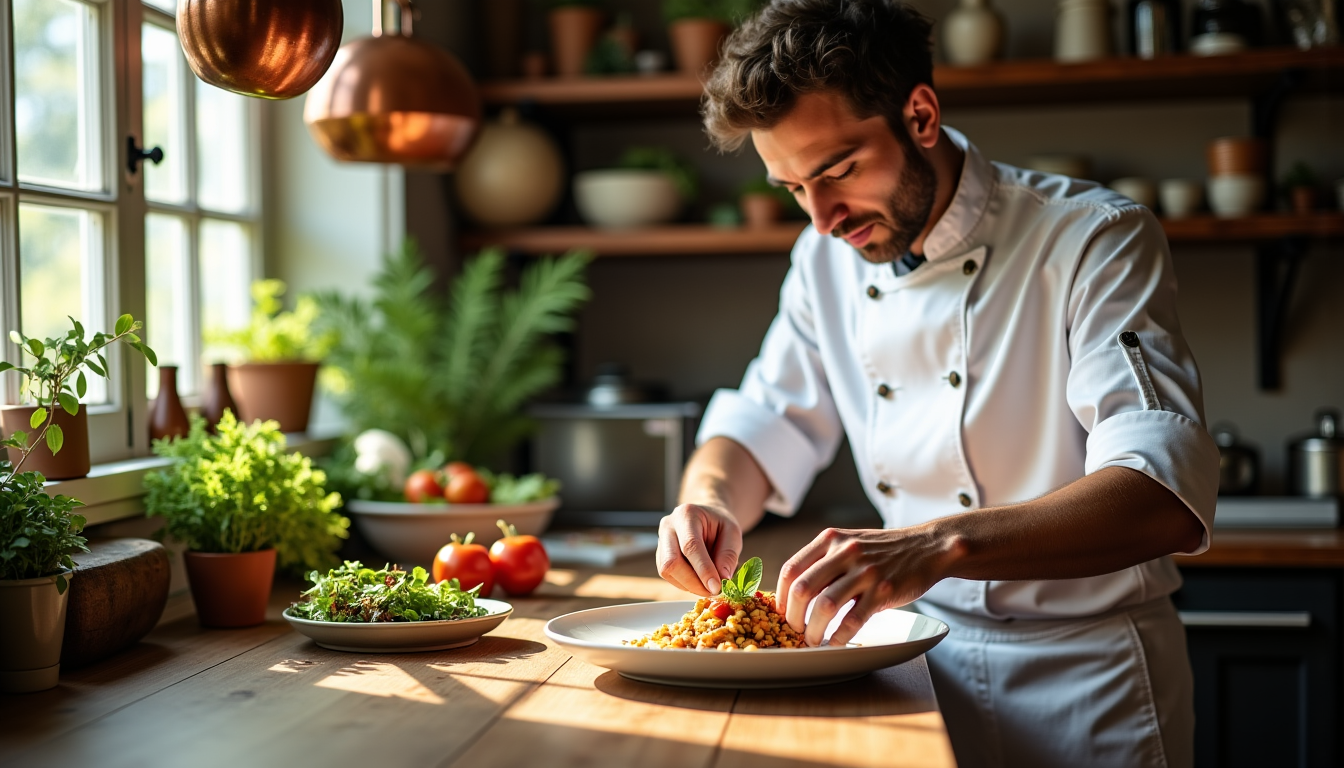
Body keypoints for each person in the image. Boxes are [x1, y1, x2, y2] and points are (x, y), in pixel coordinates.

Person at [653, 2, 1220, 766]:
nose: (821, 219)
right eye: (792, 188)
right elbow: (763, 424)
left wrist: (935, 544)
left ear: (919, 114)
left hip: (1088, 684)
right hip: (911, 667)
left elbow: (1162, 498)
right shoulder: (825, 261)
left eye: (838, 170)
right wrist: (708, 501)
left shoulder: (1093, 239)